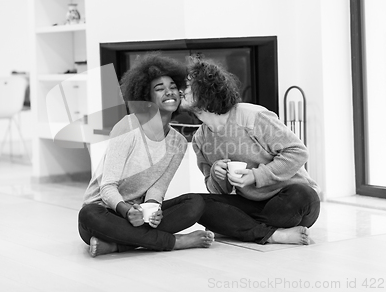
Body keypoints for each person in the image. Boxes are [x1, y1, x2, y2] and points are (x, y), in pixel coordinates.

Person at [78, 53, 214, 257]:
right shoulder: (128, 127)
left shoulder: (177, 142)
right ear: (146, 98)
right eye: (159, 89)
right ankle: (173, 242)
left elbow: (158, 188)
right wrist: (126, 211)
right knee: (88, 214)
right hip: (108, 212)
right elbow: (107, 187)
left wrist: (153, 210)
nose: (169, 92)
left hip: (142, 215)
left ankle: (120, 245)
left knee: (195, 203)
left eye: (172, 87)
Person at [179, 58, 321, 245]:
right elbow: (217, 191)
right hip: (254, 205)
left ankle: (236, 228)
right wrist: (216, 174)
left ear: (206, 89)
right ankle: (273, 235)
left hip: (291, 201)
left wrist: (255, 176)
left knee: (301, 195)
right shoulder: (200, 139)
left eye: (188, 85)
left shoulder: (252, 116)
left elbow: (298, 152)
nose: (181, 90)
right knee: (196, 203)